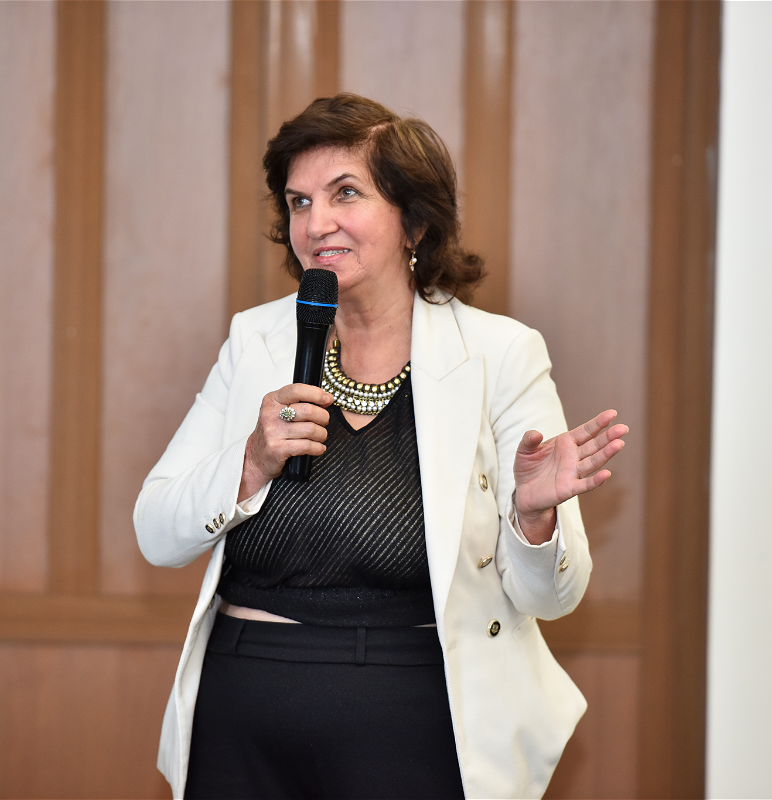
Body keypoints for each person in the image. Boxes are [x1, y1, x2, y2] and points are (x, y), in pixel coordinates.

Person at [134, 93, 627, 800]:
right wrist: (248, 463)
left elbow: (552, 598)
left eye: (345, 193)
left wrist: (534, 518)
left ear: (414, 221)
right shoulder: (256, 340)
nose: (316, 223)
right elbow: (156, 532)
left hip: (412, 718)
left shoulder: (499, 354)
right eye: (299, 202)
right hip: (242, 711)